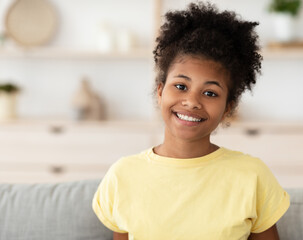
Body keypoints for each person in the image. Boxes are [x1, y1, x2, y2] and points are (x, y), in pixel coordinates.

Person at [92, 2, 290, 240]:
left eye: (210, 93)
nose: (192, 101)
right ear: (160, 91)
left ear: (228, 107)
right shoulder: (122, 176)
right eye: (181, 86)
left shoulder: (252, 176)